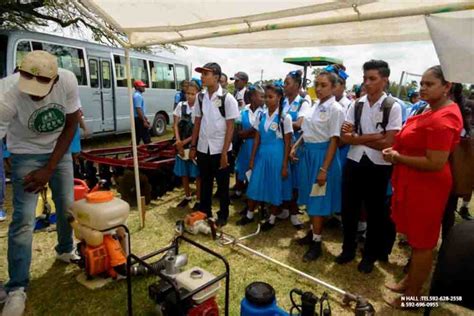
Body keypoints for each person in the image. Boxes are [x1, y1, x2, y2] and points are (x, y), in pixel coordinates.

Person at [0, 50, 81, 316]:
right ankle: (16, 288)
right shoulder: (6, 94)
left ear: (55, 80)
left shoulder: (67, 80)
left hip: (58, 149)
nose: (33, 94)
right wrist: (9, 158)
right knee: (23, 218)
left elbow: (71, 125)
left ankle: (65, 249)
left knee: (67, 204)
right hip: (24, 152)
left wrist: (49, 167)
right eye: (29, 85)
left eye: (41, 88)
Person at [382, 65, 462, 307]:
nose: (423, 88)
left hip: (427, 185)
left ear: (447, 87)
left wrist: (397, 157)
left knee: (423, 242)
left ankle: (413, 297)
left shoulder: (445, 117)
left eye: (430, 84)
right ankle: (410, 282)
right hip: (414, 180)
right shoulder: (432, 109)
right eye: (422, 84)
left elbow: (435, 162)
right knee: (416, 238)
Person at [336, 60, 402, 274]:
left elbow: (389, 142)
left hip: (379, 166)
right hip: (354, 162)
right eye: (365, 78)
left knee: (375, 213)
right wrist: (374, 137)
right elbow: (345, 137)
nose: (367, 83)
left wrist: (359, 138)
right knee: (349, 209)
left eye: (372, 79)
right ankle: (348, 249)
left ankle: (369, 256)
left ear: (385, 80)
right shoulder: (356, 104)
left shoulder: (393, 106)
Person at [290, 71, 345, 261]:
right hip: (308, 155)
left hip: (323, 157)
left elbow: (334, 140)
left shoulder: (336, 109)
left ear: (334, 87)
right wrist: (296, 147)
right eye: (317, 84)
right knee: (310, 198)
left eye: (323, 85)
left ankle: (316, 243)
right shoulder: (314, 105)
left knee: (319, 200)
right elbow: (307, 131)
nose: (319, 88)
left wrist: (324, 169)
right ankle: (313, 232)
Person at [236, 82, 293, 231]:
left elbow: (288, 143)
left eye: (271, 97)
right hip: (262, 154)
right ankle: (249, 214)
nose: (267, 100)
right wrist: (252, 159)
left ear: (279, 97)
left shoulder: (284, 118)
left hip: (277, 156)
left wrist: (285, 165)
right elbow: (257, 138)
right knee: (255, 183)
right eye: (265, 97)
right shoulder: (261, 116)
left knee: (275, 185)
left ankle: (272, 219)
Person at [189, 63, 239, 227]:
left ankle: (223, 214)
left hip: (220, 148)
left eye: (206, 74)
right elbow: (197, 122)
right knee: (205, 181)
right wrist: (193, 146)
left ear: (216, 77)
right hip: (204, 147)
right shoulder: (200, 97)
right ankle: (205, 210)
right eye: (202, 74)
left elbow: (230, 127)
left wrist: (225, 153)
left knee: (223, 185)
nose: (202, 77)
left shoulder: (227, 98)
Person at [281, 70, 311, 229]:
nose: (284, 86)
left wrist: (281, 122)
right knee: (285, 178)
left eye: (287, 83)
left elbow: (300, 124)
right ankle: (284, 208)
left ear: (297, 86)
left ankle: (294, 213)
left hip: (296, 146)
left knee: (295, 182)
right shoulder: (283, 101)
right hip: (283, 144)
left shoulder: (303, 102)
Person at [173, 79, 202, 210]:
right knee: (184, 172)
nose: (189, 96)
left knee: (197, 174)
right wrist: (179, 142)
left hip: (194, 144)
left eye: (192, 93)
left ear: (198, 93)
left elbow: (198, 128)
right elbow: (175, 124)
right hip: (181, 144)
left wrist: (185, 142)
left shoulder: (200, 108)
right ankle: (187, 196)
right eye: (187, 93)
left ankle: (199, 199)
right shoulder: (180, 106)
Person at [233, 85, 265, 200]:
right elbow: (239, 132)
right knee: (242, 167)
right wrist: (252, 132)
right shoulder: (244, 111)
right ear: (252, 97)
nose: (263, 98)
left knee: (255, 171)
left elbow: (260, 132)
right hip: (246, 146)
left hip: (259, 146)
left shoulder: (265, 112)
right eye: (261, 96)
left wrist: (251, 132)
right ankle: (239, 190)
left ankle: (252, 196)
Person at [133, 80, 151, 145]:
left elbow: (140, 109)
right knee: (146, 138)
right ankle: (150, 151)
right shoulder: (137, 96)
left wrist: (145, 117)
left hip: (139, 118)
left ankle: (133, 151)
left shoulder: (137, 95)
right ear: (137, 87)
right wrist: (144, 121)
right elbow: (138, 109)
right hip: (139, 119)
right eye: (142, 86)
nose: (144, 87)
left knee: (137, 138)